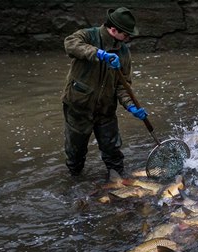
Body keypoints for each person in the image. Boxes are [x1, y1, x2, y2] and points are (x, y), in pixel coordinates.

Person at [61, 7, 148, 177]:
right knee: (75, 155)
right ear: (114, 30)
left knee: (113, 153)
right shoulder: (87, 36)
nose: (128, 39)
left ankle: (118, 186)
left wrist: (131, 107)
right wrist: (99, 53)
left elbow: (123, 86)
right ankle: (74, 186)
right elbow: (70, 44)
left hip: (106, 110)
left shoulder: (123, 52)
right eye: (126, 35)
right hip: (79, 107)